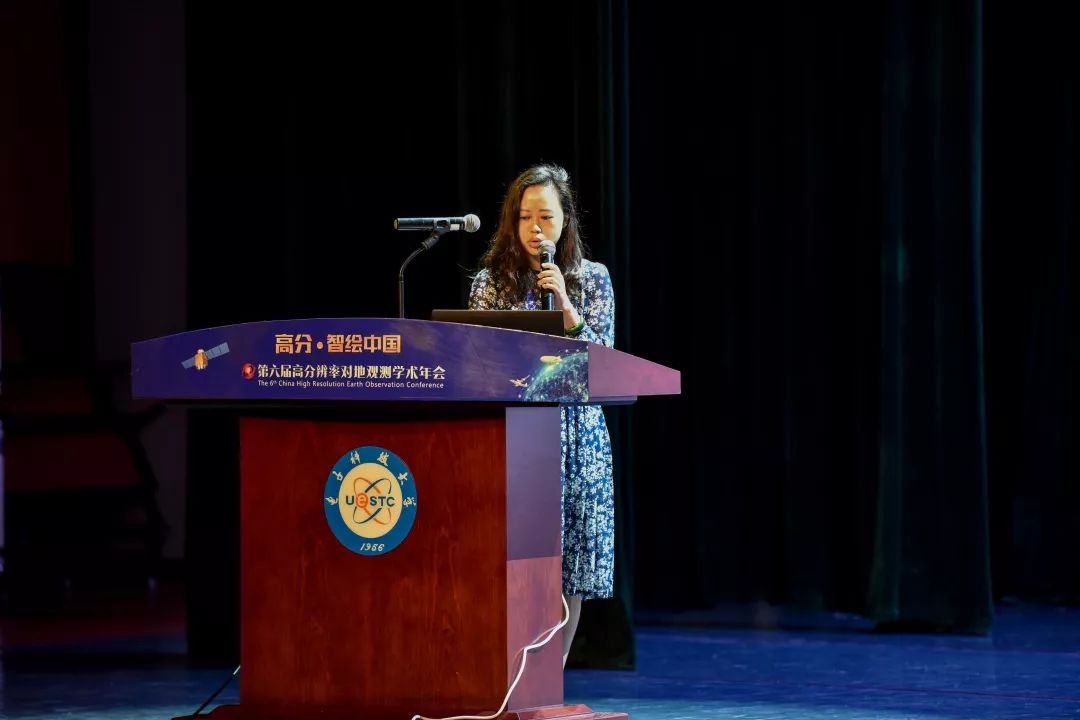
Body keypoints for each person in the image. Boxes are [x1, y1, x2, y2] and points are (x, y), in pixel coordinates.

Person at [468, 163, 615, 667]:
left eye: (546, 217)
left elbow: (604, 361)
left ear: (565, 221)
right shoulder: (491, 282)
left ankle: (549, 676)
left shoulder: (593, 280)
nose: (535, 229)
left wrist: (566, 306)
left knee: (570, 565)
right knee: (514, 557)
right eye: (525, 217)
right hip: (512, 431)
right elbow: (478, 360)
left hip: (576, 435)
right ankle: (506, 674)